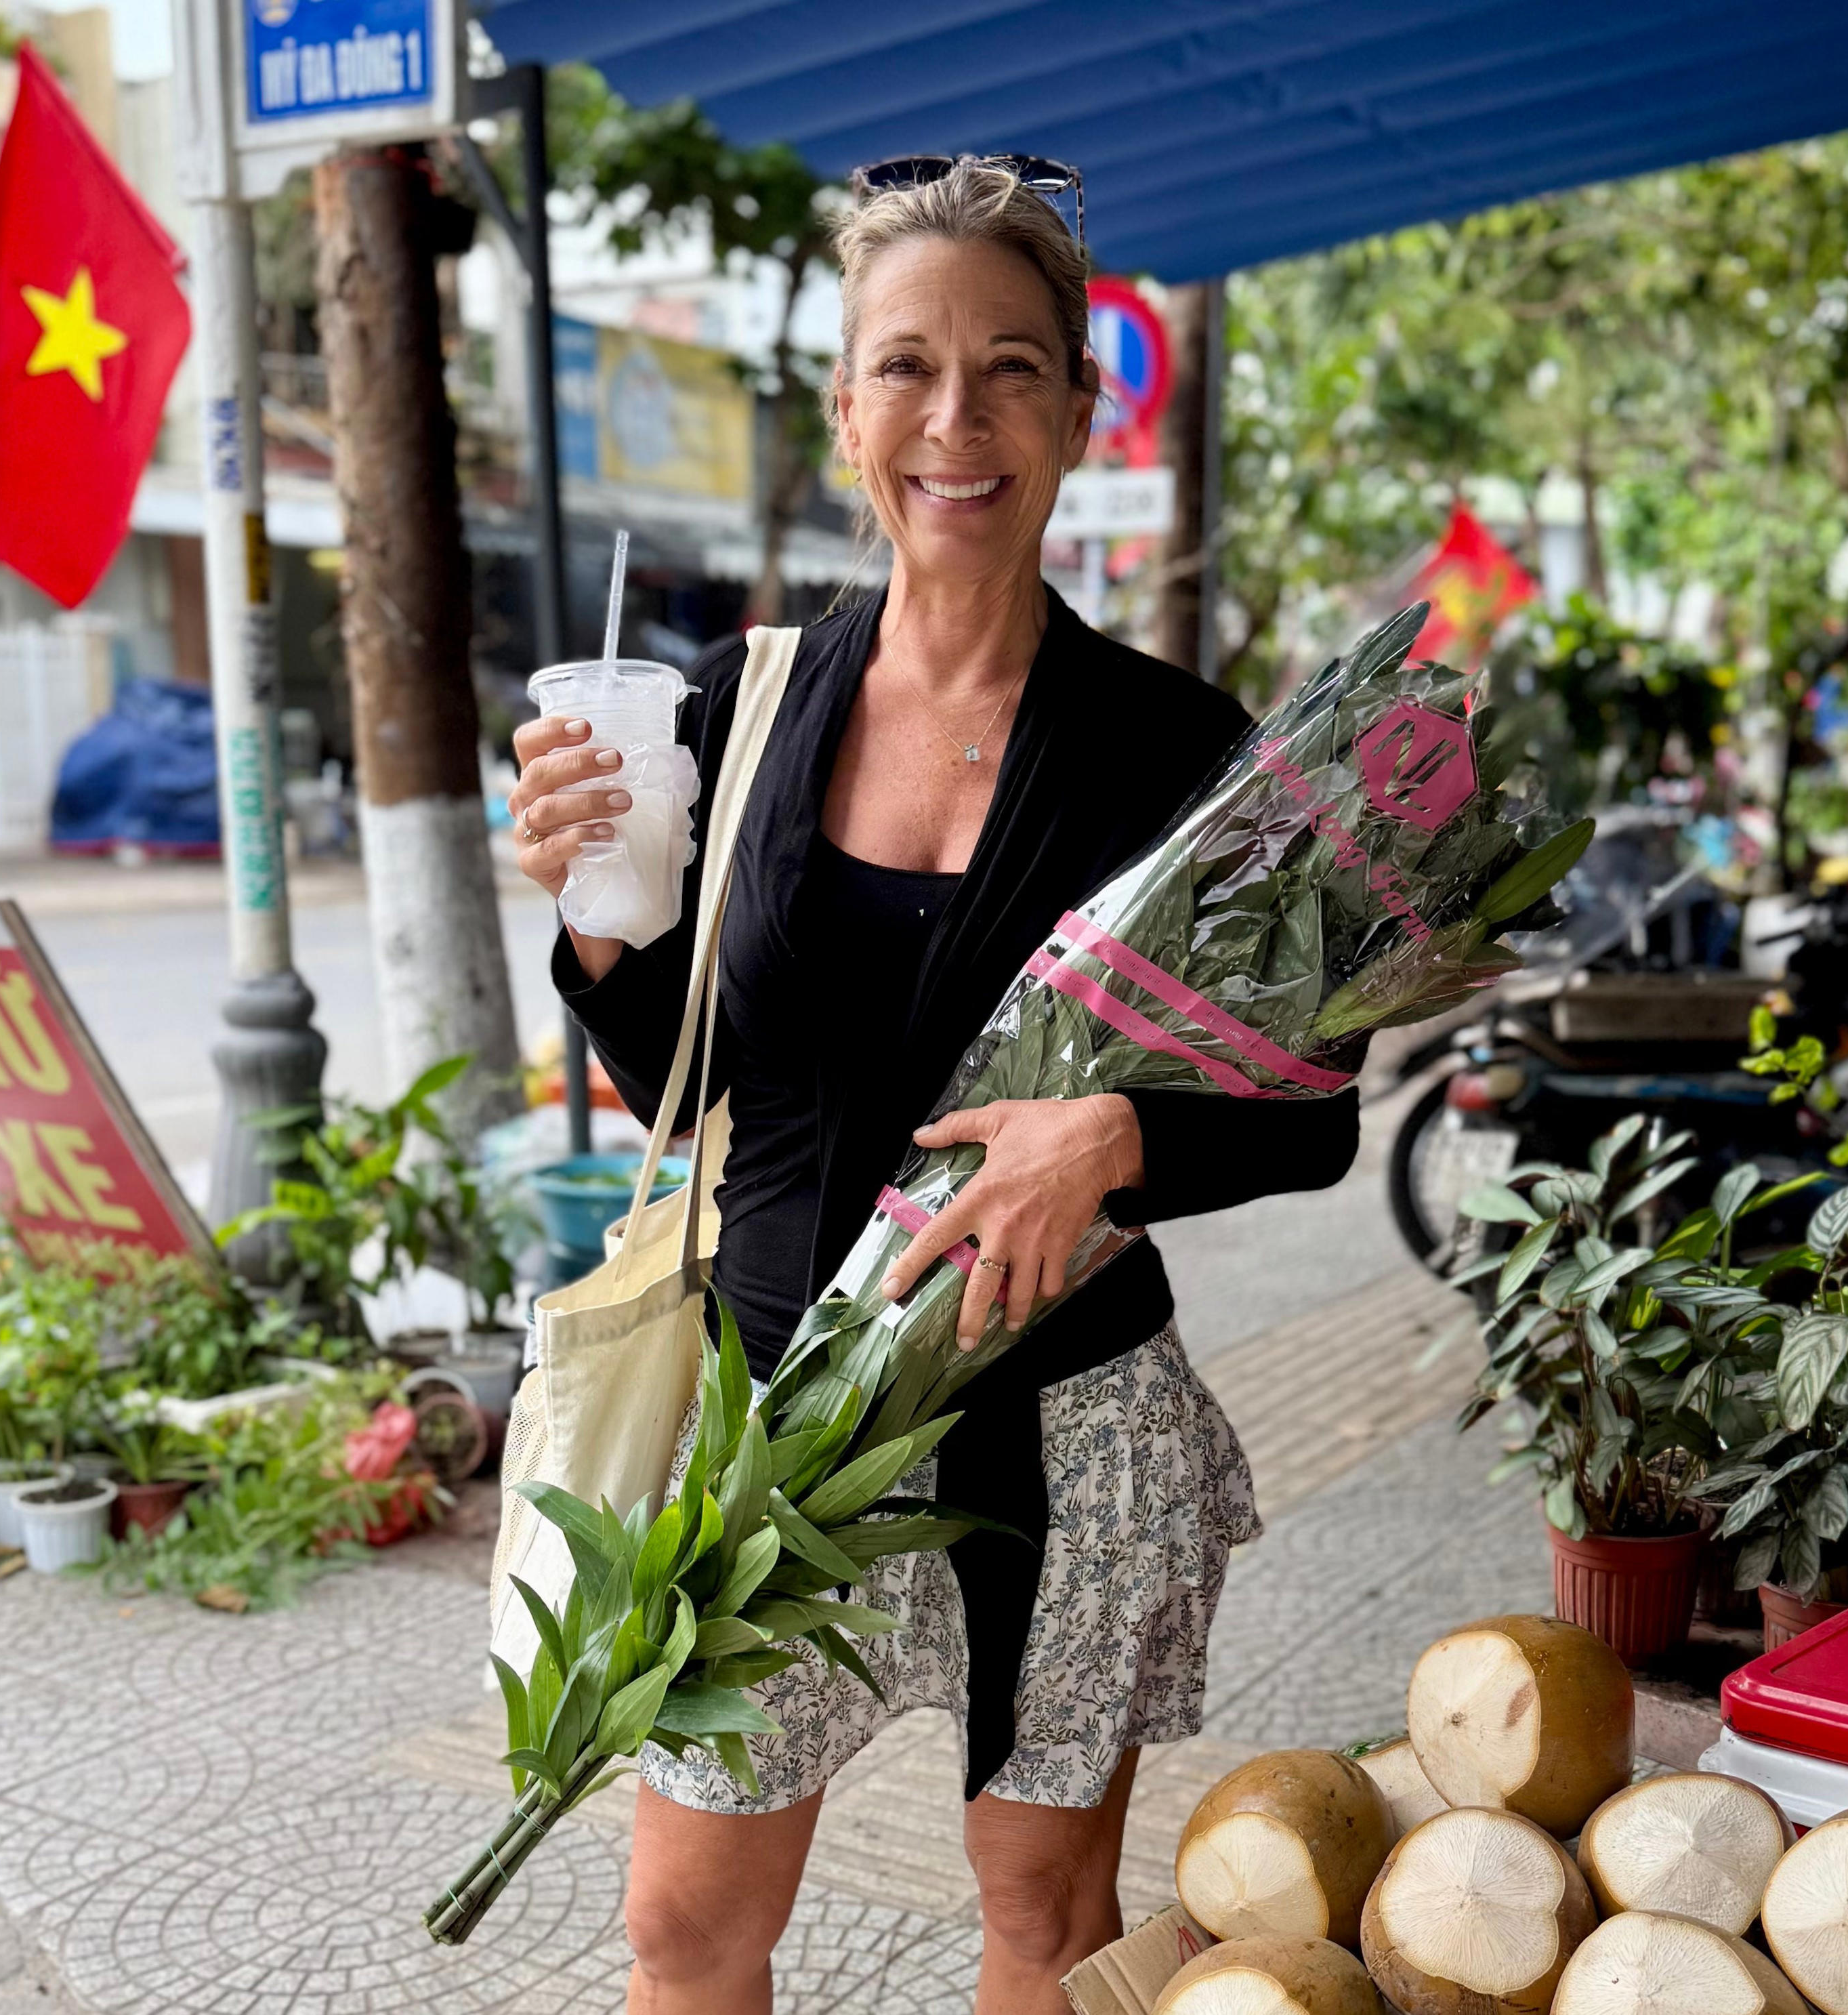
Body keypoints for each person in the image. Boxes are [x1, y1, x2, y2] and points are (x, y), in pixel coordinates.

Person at [506, 157, 1359, 2015]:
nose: (953, 421)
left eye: (1008, 371)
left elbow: (1321, 1100)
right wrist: (592, 935)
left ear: (1076, 407)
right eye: (905, 369)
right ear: (844, 413)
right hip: (771, 1417)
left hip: (1058, 1416)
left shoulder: (1179, 749)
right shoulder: (736, 708)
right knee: (682, 1927)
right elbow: (707, 1076)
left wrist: (1126, 1134)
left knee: (1043, 1923)